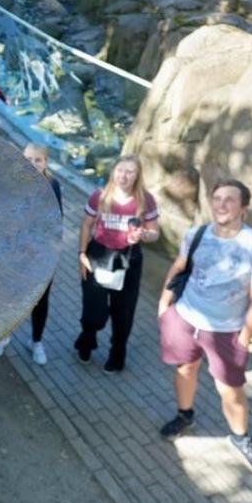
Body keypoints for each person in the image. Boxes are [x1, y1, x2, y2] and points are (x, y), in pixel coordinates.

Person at [157, 179, 252, 474]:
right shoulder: (196, 234)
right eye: (217, 198)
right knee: (184, 369)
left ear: (244, 207)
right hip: (185, 319)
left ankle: (240, 438)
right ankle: (185, 415)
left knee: (230, 390)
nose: (221, 205)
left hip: (226, 330)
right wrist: (164, 304)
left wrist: (245, 338)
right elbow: (180, 266)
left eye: (230, 200)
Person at [76, 156, 160, 372]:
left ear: (137, 175)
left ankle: (117, 354)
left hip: (128, 258)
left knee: (123, 312)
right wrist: (82, 253)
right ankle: (87, 339)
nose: (124, 175)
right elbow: (86, 225)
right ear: (113, 171)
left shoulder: (145, 200)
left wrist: (144, 235)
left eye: (130, 171)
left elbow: (155, 233)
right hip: (99, 254)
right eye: (121, 170)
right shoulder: (100, 196)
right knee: (93, 312)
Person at [0, 143, 61, 365]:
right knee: (9, 298)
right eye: (28, 159)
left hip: (41, 255)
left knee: (40, 301)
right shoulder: (9, 183)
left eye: (37, 160)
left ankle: (36, 341)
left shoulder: (53, 185)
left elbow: (57, 221)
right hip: (13, 254)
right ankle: (4, 336)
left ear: (45, 163)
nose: (31, 164)